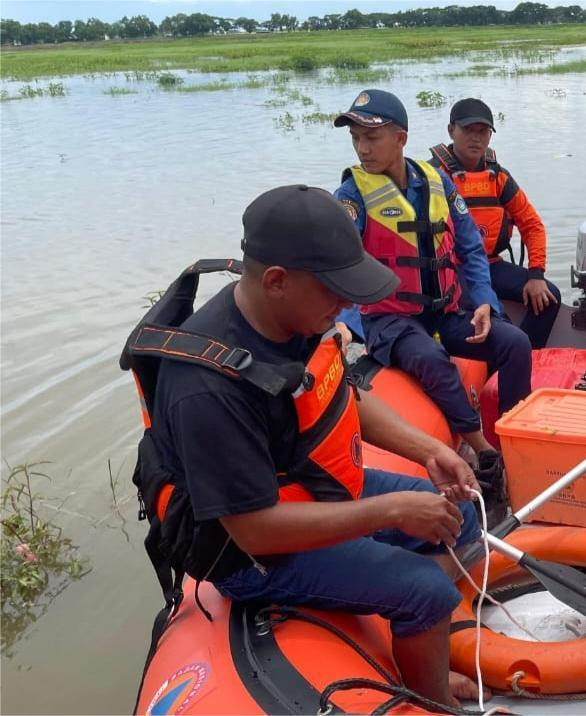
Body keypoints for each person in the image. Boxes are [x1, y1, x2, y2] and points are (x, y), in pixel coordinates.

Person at [125, 185, 490, 709]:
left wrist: (428, 448)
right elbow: (253, 529)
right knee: (425, 592)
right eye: (336, 290)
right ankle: (431, 698)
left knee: (462, 519)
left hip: (308, 483)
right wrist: (389, 511)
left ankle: (415, 643)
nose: (348, 304)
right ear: (276, 280)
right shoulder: (206, 390)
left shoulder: (291, 315)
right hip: (249, 554)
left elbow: (340, 394)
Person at [331, 89, 532, 520]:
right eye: (356, 139)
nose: (363, 148)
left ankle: (517, 441)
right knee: (431, 358)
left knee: (513, 343)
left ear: (401, 138)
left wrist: (483, 304)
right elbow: (336, 261)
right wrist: (345, 322)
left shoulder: (437, 182)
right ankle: (483, 452)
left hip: (446, 311)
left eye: (373, 137)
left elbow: (472, 248)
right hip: (389, 320)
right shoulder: (350, 197)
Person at [427, 98, 561, 349]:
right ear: (450, 130)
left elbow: (532, 225)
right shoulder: (433, 178)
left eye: (483, 132)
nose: (476, 139)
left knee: (549, 299)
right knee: (501, 324)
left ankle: (526, 358)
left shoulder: (498, 177)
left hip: (490, 264)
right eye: (468, 130)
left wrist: (536, 275)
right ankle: (504, 360)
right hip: (450, 271)